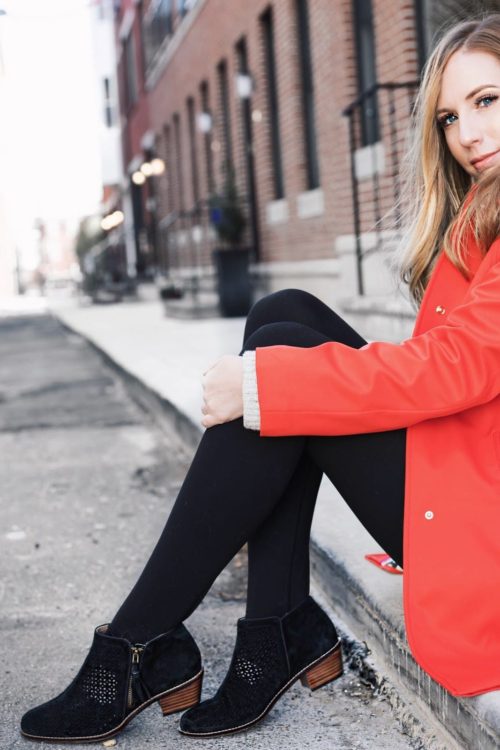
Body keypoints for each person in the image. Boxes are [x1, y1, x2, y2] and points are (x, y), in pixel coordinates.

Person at [20, 12, 500, 744]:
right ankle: (273, 628)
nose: (467, 132)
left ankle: (142, 645)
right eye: (449, 115)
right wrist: (275, 382)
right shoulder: (481, 208)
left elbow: (459, 367)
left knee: (279, 379)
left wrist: (266, 389)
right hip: (470, 469)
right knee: (283, 316)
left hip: (484, 521)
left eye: (487, 101)